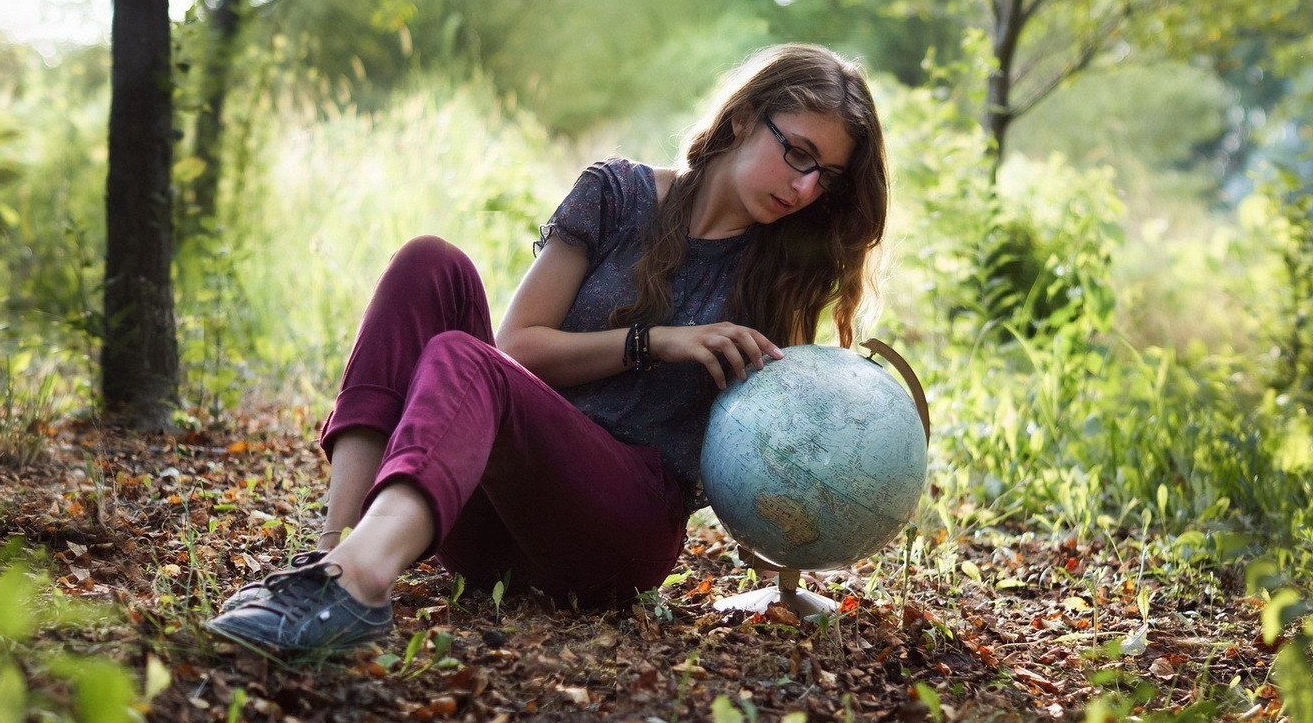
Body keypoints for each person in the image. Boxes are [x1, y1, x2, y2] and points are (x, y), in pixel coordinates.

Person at [207, 43, 890, 653]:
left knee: (466, 360)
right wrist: (657, 343)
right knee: (429, 264)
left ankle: (358, 582)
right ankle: (330, 560)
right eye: (798, 153)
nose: (805, 188)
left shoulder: (785, 274)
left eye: (825, 176)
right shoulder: (618, 196)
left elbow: (777, 437)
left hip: (613, 531)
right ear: (744, 118)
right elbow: (518, 349)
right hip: (484, 510)